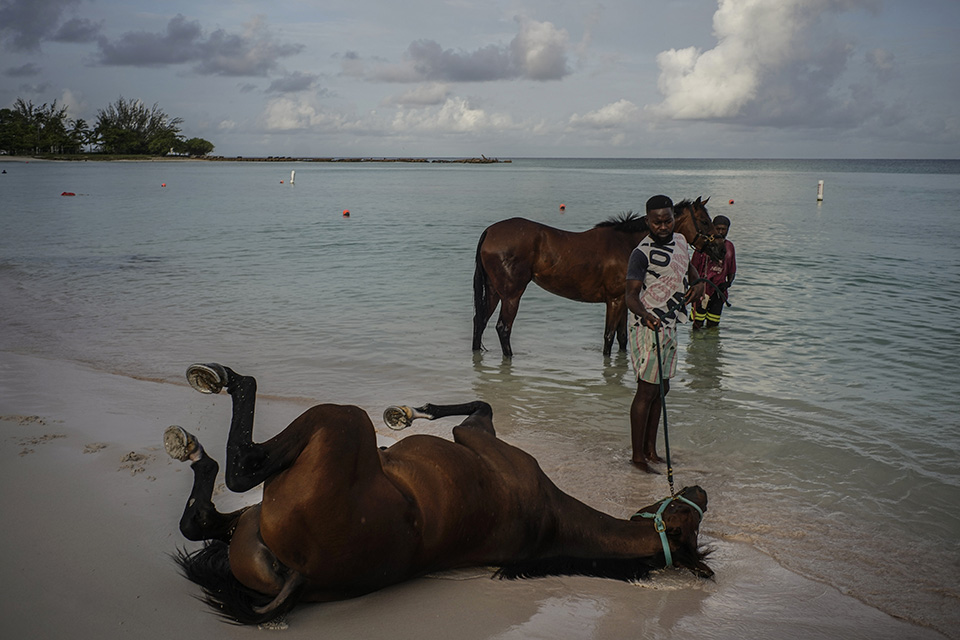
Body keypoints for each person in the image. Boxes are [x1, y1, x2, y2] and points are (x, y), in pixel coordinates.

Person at [625, 195, 705, 473]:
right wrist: (646, 315)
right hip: (646, 327)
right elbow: (630, 296)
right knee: (646, 390)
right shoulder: (641, 253)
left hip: (670, 324)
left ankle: (651, 451)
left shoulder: (681, 241)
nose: (663, 226)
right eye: (657, 221)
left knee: (662, 389)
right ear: (647, 220)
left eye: (667, 220)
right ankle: (637, 458)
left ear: (673, 218)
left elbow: (688, 268)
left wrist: (698, 284)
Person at [691, 214, 736, 329]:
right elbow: (693, 267)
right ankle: (697, 346)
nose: (720, 232)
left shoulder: (730, 246)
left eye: (723, 229)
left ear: (727, 230)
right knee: (698, 323)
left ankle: (712, 346)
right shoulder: (703, 245)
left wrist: (728, 283)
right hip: (703, 290)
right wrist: (694, 286)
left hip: (719, 291)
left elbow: (732, 268)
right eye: (718, 229)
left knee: (713, 324)